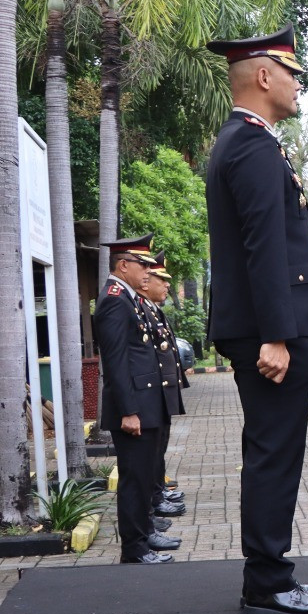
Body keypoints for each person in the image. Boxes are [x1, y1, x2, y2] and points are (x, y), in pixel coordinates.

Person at [205, 24, 308, 614]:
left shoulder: (244, 141)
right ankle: (266, 581)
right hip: (271, 333)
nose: (297, 85)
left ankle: (269, 575)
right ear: (264, 76)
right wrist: (278, 336)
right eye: (292, 73)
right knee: (273, 455)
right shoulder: (252, 146)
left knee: (271, 451)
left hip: (266, 327)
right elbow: (264, 248)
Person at [95, 237, 180, 564]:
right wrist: (129, 411)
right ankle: (134, 548)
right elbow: (116, 363)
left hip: (146, 405)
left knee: (144, 477)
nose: (148, 271)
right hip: (134, 409)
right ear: (123, 265)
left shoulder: (128, 299)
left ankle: (145, 536)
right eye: (142, 264)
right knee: (134, 480)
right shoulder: (115, 300)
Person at [141, 254, 187, 532]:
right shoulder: (141, 309)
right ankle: (155, 498)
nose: (167, 285)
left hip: (162, 392)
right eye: (163, 280)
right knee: (152, 452)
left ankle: (158, 494)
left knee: (159, 447)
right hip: (152, 394)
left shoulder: (152, 309)